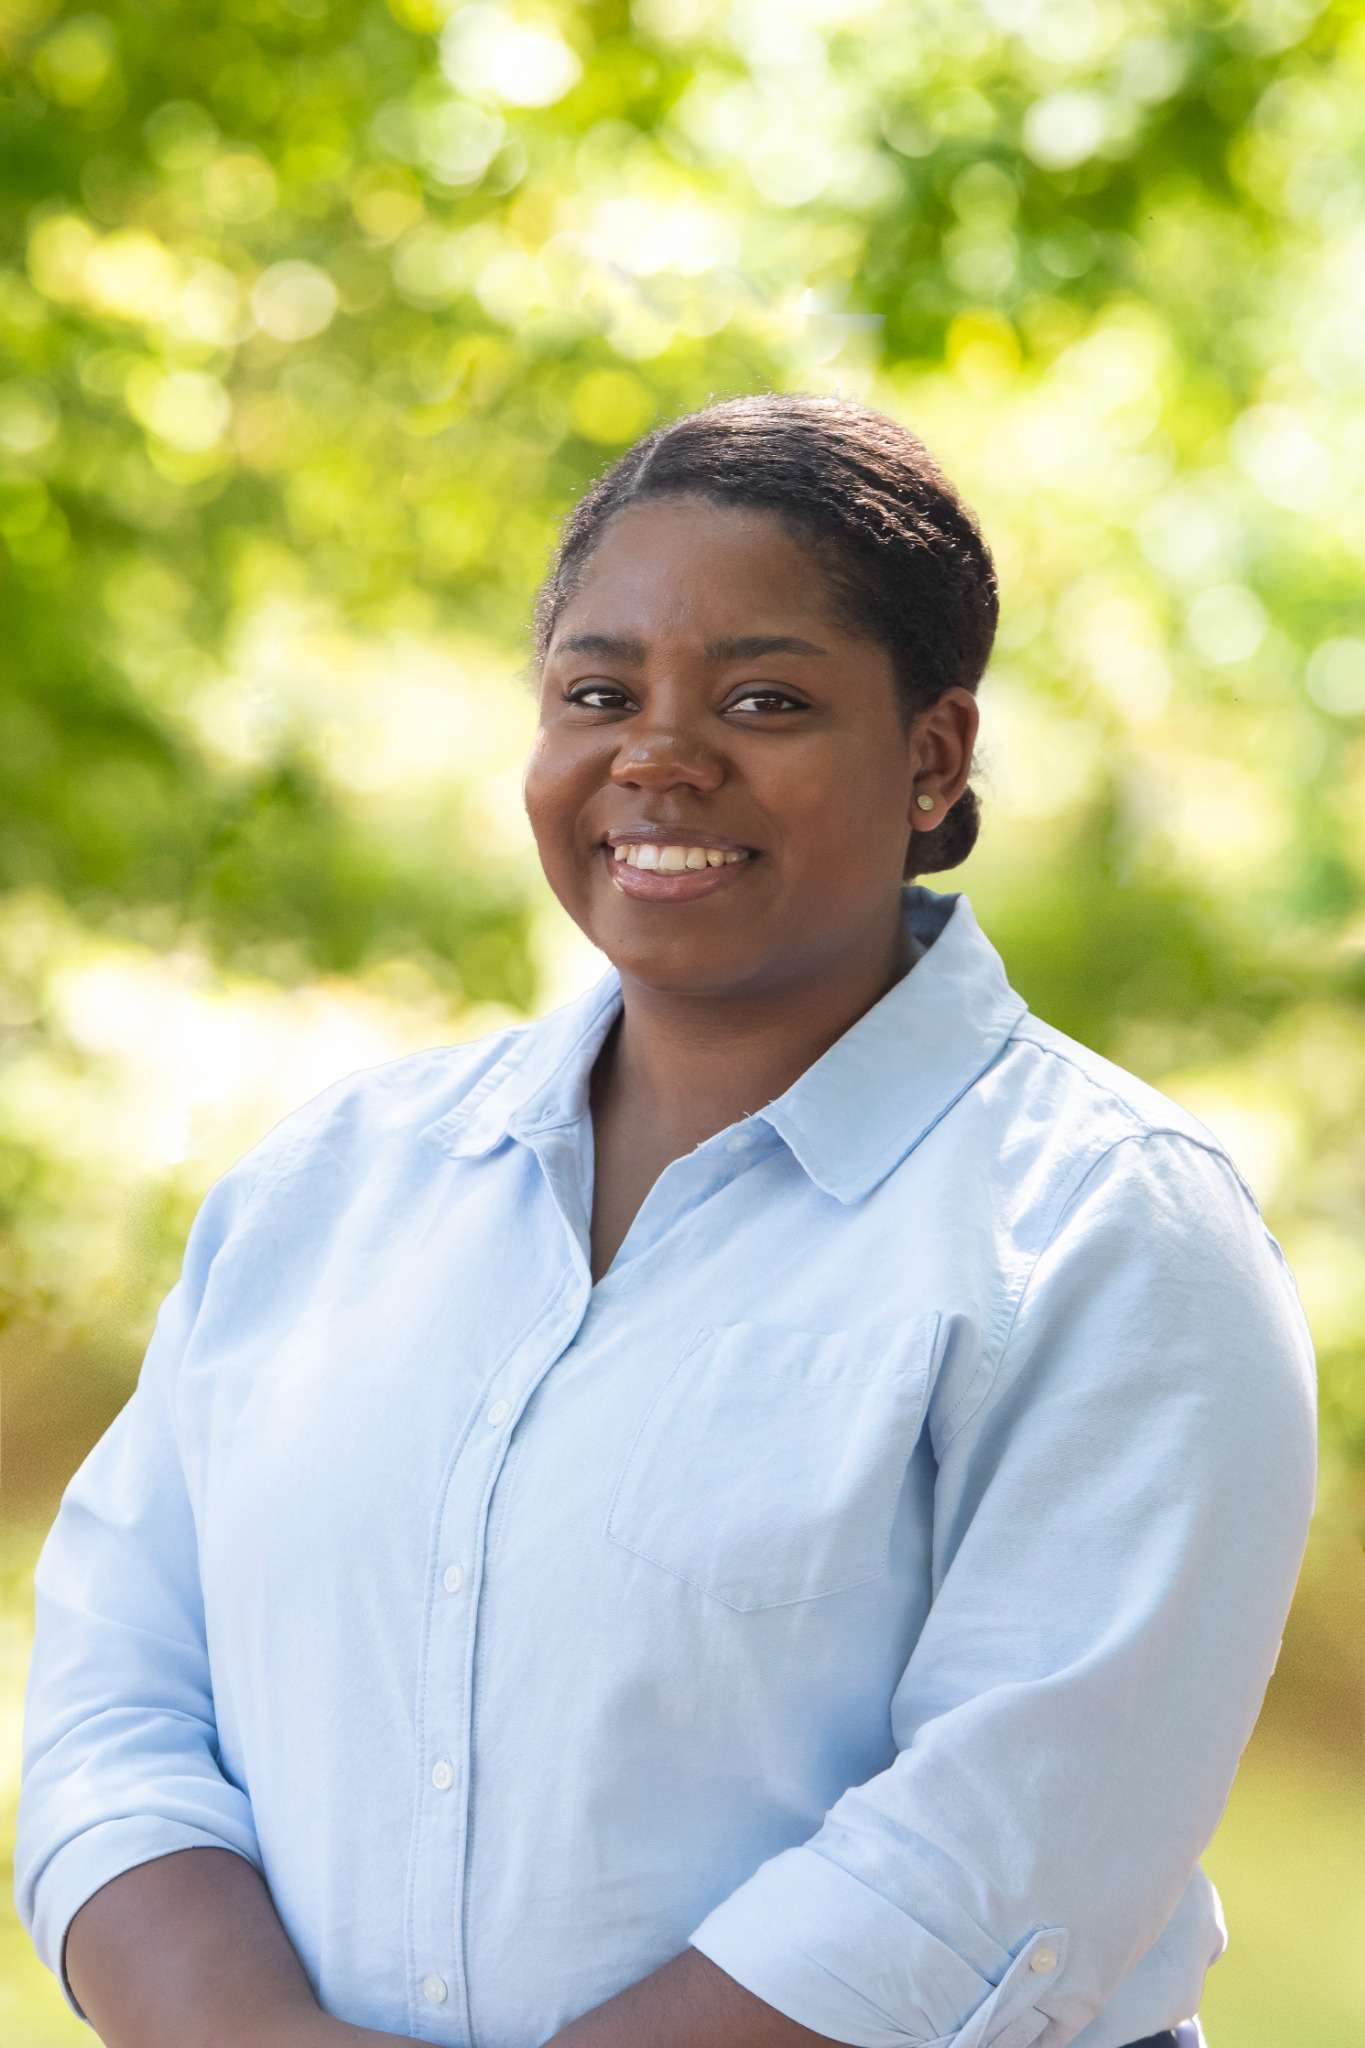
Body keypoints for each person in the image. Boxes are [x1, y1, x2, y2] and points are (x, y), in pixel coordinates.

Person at [14, 393, 1316, 2048]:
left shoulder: (1110, 1237)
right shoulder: (330, 1187)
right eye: (597, 692)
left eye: (764, 698)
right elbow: (119, 1706)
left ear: (931, 757)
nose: (658, 754)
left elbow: (1003, 1853)